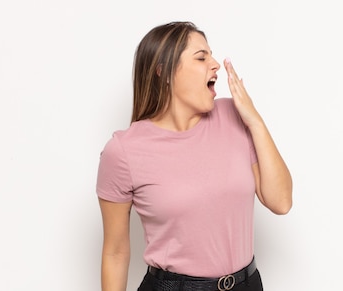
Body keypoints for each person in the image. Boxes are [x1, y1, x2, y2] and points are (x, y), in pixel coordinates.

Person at [96, 21, 292, 291]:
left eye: (211, 55)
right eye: (201, 57)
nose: (215, 64)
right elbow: (115, 253)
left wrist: (255, 121)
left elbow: (280, 201)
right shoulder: (124, 151)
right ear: (164, 72)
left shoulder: (234, 117)